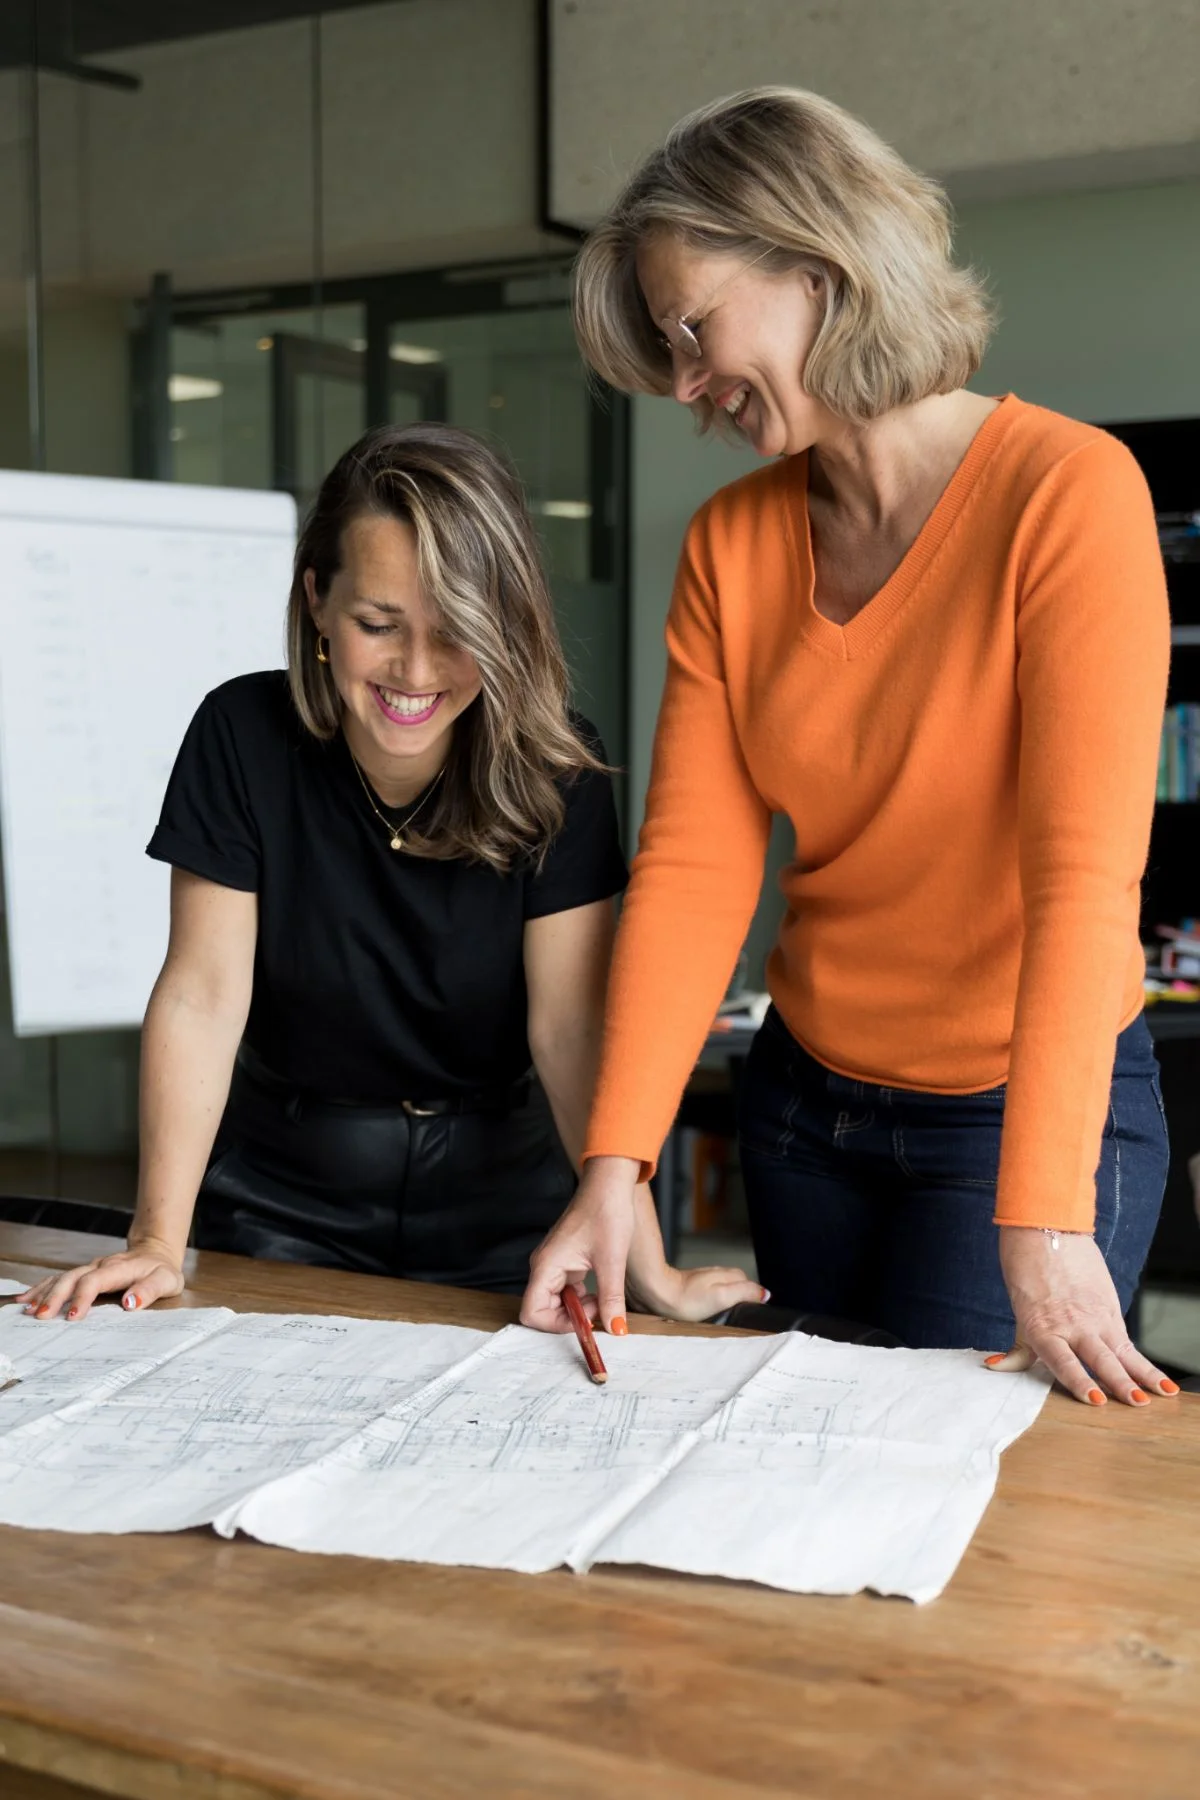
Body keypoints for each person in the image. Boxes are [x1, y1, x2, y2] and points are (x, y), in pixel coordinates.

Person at [522, 87, 1180, 1409]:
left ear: (814, 264)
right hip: (807, 1108)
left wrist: (1044, 1216)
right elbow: (699, 872)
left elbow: (1079, 886)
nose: (689, 385)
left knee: (972, 1536)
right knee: (810, 1509)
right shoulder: (732, 545)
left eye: (694, 330)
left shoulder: (1067, 493)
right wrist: (616, 1169)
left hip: (1019, 1109)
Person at [19, 422, 765, 1324]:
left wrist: (651, 1269)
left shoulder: (555, 767)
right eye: (379, 624)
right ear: (317, 606)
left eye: (457, 633)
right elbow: (202, 997)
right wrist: (155, 1240)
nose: (415, 672)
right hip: (283, 1195)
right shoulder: (241, 735)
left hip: (505, 1203)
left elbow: (570, 1032)